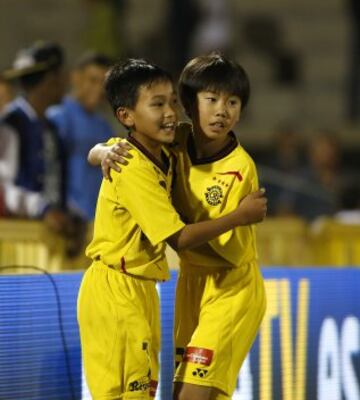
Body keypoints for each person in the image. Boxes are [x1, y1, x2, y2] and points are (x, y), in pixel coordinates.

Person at [78, 58, 267, 399]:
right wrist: (102, 151)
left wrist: (101, 151)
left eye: (232, 102)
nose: (221, 111)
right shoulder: (162, 146)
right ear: (192, 103)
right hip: (135, 285)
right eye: (211, 100)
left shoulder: (236, 167)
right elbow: (178, 238)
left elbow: (220, 248)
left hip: (229, 284)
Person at [0, 41, 83, 244]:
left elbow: (53, 187)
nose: (65, 82)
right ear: (50, 79)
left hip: (48, 242)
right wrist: (42, 209)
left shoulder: (52, 128)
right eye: (61, 75)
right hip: (17, 242)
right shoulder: (10, 125)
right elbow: (3, 188)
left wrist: (71, 214)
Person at [47, 51, 114, 221]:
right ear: (76, 78)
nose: (98, 89)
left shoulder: (104, 127)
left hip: (97, 220)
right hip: (68, 220)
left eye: (104, 83)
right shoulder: (57, 117)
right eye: (92, 80)